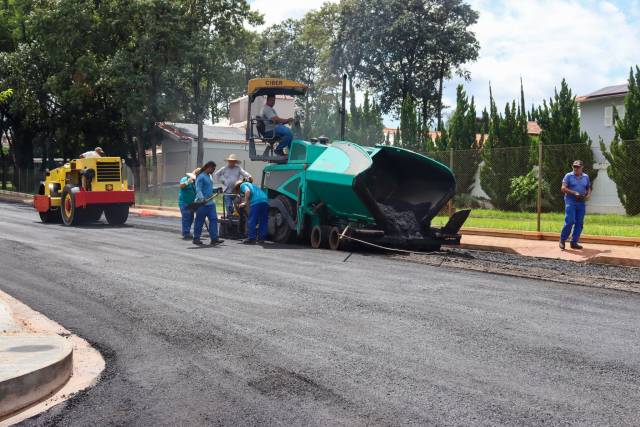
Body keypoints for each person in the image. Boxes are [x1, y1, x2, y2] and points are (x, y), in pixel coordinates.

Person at [560, 160, 592, 250]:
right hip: (570, 201)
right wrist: (574, 193)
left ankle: (574, 242)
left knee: (579, 223)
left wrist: (588, 194)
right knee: (570, 221)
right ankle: (562, 240)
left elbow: (588, 187)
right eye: (574, 166)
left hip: (581, 202)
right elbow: (563, 188)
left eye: (578, 167)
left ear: (582, 167)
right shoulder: (568, 176)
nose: (576, 168)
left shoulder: (586, 177)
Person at [193, 161, 224, 246]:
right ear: (208, 167)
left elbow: (208, 188)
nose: (214, 170)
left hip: (210, 203)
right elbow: (198, 189)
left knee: (214, 220)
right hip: (201, 204)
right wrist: (202, 198)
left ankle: (214, 239)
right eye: (213, 168)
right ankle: (196, 238)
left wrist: (216, 189)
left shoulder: (209, 176)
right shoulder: (201, 176)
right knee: (199, 221)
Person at [235, 179, 269, 244]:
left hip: (256, 202)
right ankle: (261, 238)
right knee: (263, 220)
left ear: (238, 188)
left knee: (251, 220)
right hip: (265, 200)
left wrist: (244, 202)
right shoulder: (252, 185)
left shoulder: (243, 185)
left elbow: (247, 192)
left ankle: (251, 238)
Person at [178, 168, 200, 240]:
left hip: (192, 203)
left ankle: (186, 231)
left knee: (191, 218)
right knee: (186, 217)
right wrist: (188, 182)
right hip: (184, 202)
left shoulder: (195, 182)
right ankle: (186, 233)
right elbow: (181, 186)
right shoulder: (185, 179)